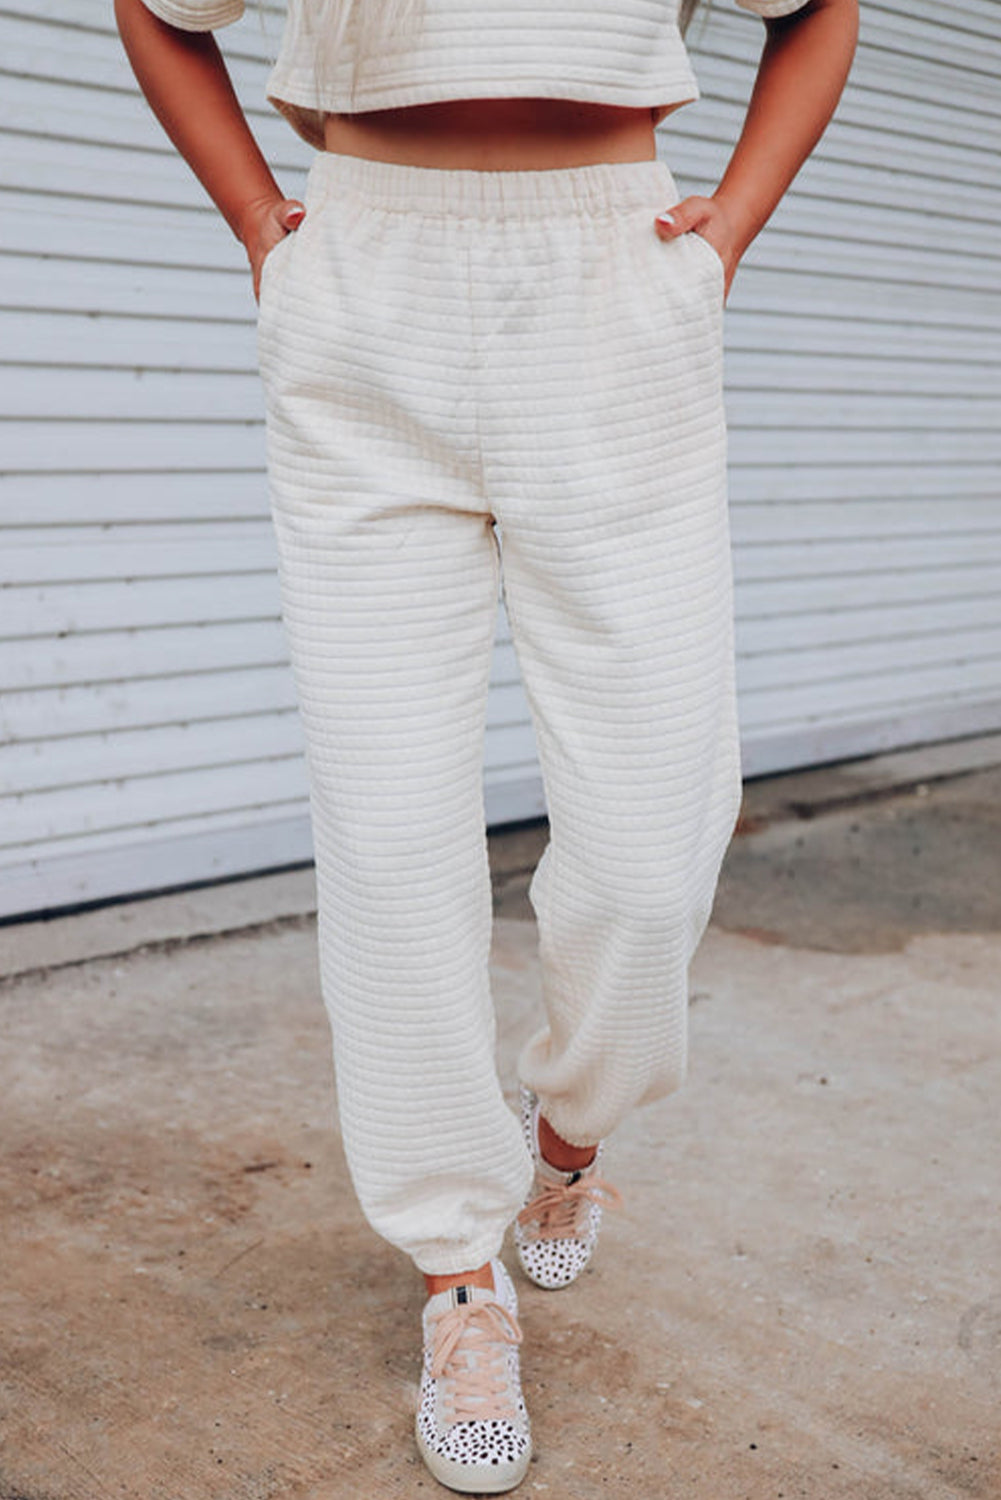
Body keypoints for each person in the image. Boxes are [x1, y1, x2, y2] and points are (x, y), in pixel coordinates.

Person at [115, 0, 858, 1490]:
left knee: (655, 841)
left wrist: (725, 241)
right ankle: (459, 1269)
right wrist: (265, 223)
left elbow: (818, 12)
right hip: (364, 289)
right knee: (387, 832)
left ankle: (567, 1138)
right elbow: (157, 8)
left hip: (614, 281)